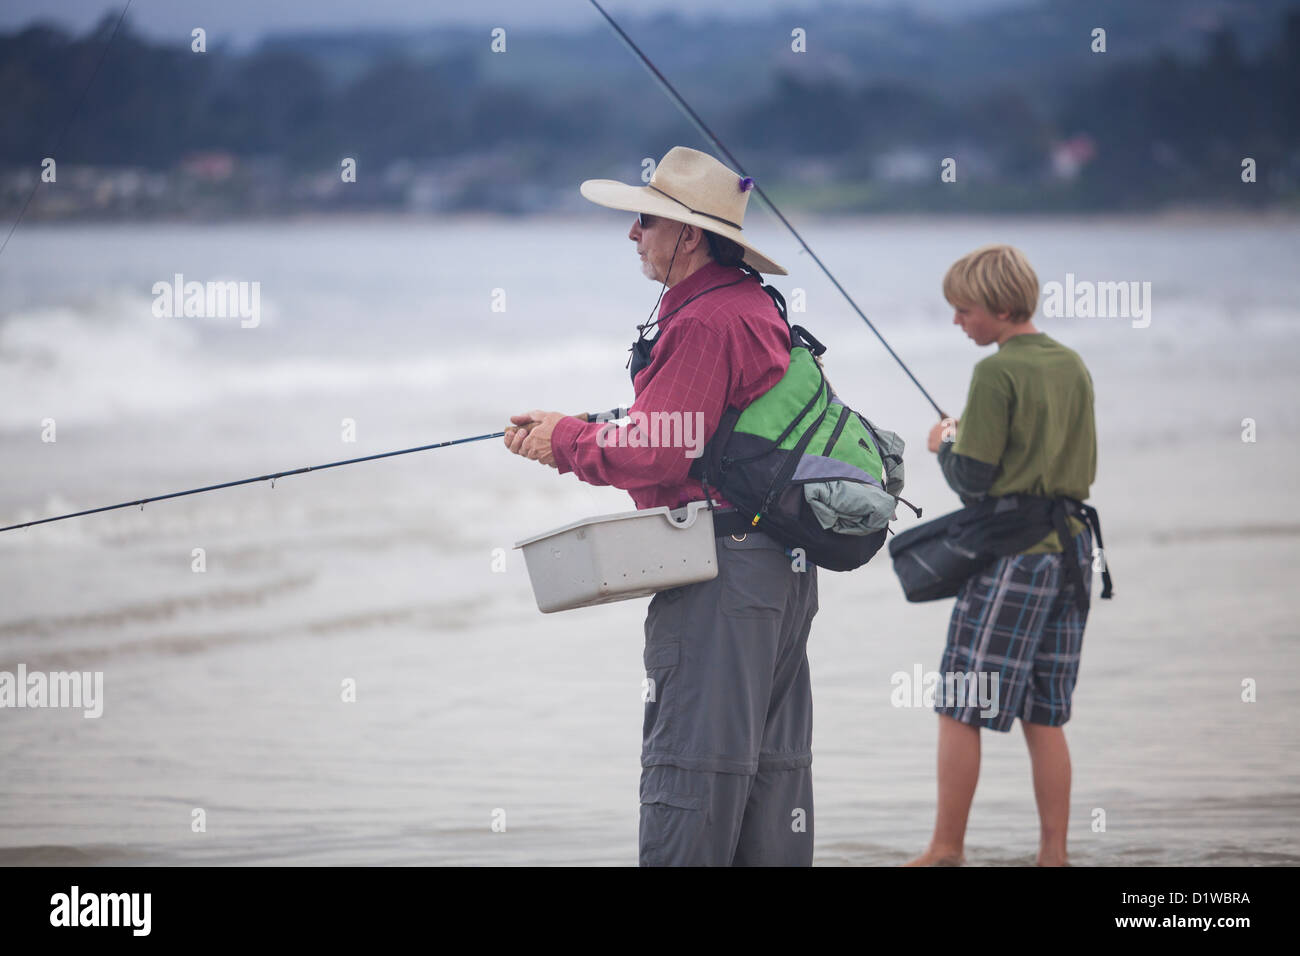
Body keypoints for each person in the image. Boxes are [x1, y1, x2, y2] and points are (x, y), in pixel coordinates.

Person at [504, 146, 819, 866]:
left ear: (689, 235)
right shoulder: (749, 305)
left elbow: (657, 454)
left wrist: (568, 442)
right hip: (776, 567)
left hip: (724, 578)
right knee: (771, 786)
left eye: (645, 221)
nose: (632, 235)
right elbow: (692, 436)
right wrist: (577, 430)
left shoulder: (706, 321)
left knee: (692, 781)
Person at [907, 244, 1098, 867]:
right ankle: (1054, 856)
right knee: (1044, 714)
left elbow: (975, 480)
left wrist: (945, 442)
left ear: (999, 306)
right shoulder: (1071, 364)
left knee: (961, 701)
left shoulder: (995, 372)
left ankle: (945, 849)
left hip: (1016, 556)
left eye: (964, 310)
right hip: (1072, 553)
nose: (958, 322)